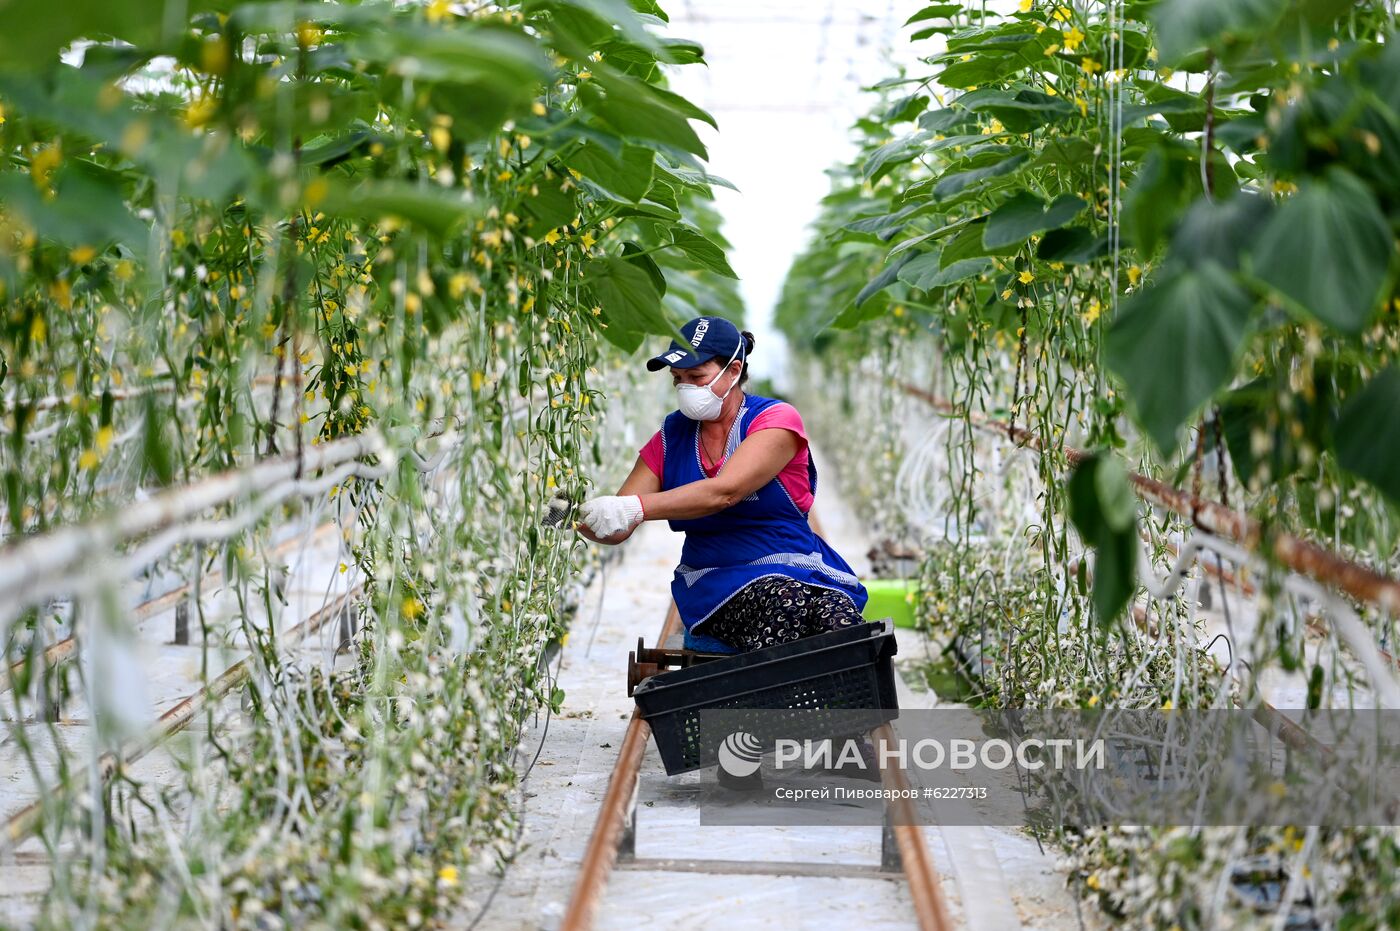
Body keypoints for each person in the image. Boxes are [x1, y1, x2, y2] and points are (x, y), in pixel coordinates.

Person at [575, 315, 869, 654]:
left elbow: (724, 492)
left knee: (839, 624)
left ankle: (812, 702)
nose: (686, 388)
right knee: (785, 605)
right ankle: (770, 704)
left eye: (696, 377)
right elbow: (616, 529)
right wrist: (579, 514)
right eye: (678, 379)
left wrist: (632, 508)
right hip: (716, 581)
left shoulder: (775, 420)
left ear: (733, 370)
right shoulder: (671, 438)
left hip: (798, 567)